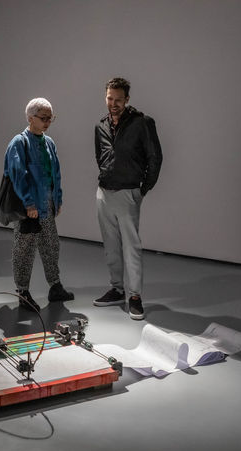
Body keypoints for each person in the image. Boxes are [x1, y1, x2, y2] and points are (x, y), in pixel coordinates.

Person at [93, 77, 162, 320]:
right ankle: (116, 289)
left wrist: (142, 189)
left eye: (118, 100)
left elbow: (155, 158)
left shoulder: (142, 123)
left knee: (131, 247)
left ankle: (135, 297)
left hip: (128, 192)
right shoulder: (100, 125)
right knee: (110, 246)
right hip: (104, 192)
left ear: (127, 99)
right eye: (110, 98)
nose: (113, 104)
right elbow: (100, 156)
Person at [3, 97, 74, 311]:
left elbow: (56, 174)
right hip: (29, 209)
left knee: (51, 245)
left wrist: (57, 199)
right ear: (30, 118)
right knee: (24, 250)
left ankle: (55, 286)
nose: (48, 122)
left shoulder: (49, 142)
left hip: (47, 206)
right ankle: (22, 292)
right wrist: (29, 204)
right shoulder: (19, 143)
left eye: (50, 118)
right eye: (44, 118)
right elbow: (18, 176)